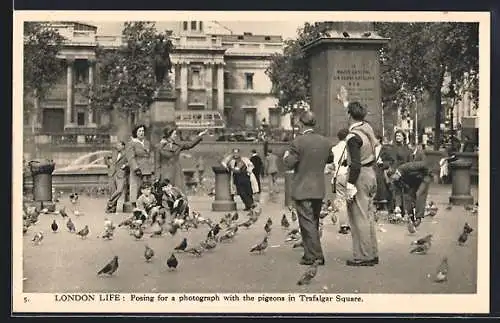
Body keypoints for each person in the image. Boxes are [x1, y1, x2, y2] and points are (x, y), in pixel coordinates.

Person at [283, 110, 333, 266]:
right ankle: (309, 253)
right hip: (318, 187)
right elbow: (330, 158)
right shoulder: (324, 141)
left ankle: (315, 255)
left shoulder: (298, 142)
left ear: (301, 123)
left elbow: (289, 163)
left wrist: (286, 156)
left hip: (302, 188)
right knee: (314, 221)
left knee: (307, 223)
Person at [343, 101, 379, 267]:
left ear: (349, 115)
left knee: (359, 217)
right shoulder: (367, 129)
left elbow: (355, 164)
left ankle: (364, 256)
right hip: (371, 173)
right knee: (369, 216)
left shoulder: (352, 137)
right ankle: (372, 253)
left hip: (360, 176)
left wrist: (350, 184)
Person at [155, 123, 207, 193]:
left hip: (177, 172)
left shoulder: (178, 145)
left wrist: (199, 136)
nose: (176, 135)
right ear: (169, 134)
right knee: (166, 193)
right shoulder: (159, 146)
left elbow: (190, 145)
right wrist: (157, 177)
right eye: (174, 134)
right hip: (165, 173)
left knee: (179, 192)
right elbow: (157, 163)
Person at [387, 160, 433, 227]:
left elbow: (423, 164)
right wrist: (397, 206)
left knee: (419, 194)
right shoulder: (396, 181)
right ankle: (411, 218)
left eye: (393, 178)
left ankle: (418, 218)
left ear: (396, 173)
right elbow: (398, 193)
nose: (393, 180)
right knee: (407, 197)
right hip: (413, 182)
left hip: (425, 176)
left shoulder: (406, 167)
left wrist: (428, 173)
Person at [326, 128, 351, 234]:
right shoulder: (350, 148)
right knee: (351, 199)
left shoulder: (334, 148)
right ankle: (351, 224)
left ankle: (343, 225)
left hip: (338, 176)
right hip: (350, 175)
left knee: (341, 201)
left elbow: (330, 164)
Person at [126, 125, 154, 208]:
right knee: (136, 187)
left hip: (147, 169)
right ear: (136, 133)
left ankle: (147, 204)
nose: (142, 133)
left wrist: (152, 168)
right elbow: (130, 157)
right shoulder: (131, 143)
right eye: (139, 131)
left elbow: (150, 156)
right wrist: (136, 168)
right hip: (137, 169)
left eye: (143, 131)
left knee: (147, 187)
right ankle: (135, 206)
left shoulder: (147, 143)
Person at [105, 141, 129, 213]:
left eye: (118, 145)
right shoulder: (114, 152)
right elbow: (106, 157)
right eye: (116, 145)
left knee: (119, 190)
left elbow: (130, 161)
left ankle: (110, 202)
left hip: (121, 174)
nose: (117, 146)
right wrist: (110, 164)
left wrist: (125, 165)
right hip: (112, 173)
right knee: (113, 191)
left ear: (123, 146)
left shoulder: (127, 153)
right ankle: (111, 209)